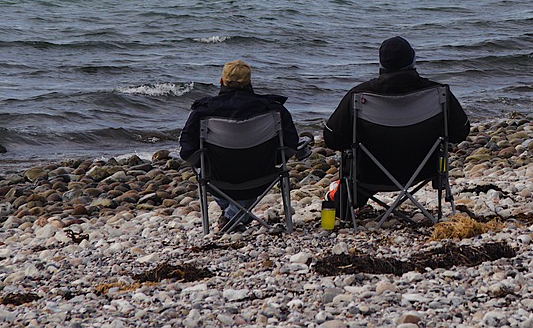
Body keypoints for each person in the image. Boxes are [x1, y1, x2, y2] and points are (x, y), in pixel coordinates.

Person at [323, 36, 469, 218]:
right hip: (424, 170)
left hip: (370, 174)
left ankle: (341, 199)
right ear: (413, 61)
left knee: (351, 159)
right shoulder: (438, 93)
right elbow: (460, 132)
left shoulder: (359, 96)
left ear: (381, 64)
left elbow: (332, 138)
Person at [179, 59, 311, 232]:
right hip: (261, 176)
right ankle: (235, 214)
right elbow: (290, 144)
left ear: (221, 81)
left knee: (203, 167)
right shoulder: (274, 110)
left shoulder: (203, 111)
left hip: (217, 179)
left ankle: (231, 214)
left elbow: (187, 151)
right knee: (264, 163)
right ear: (250, 82)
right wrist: (272, 157)